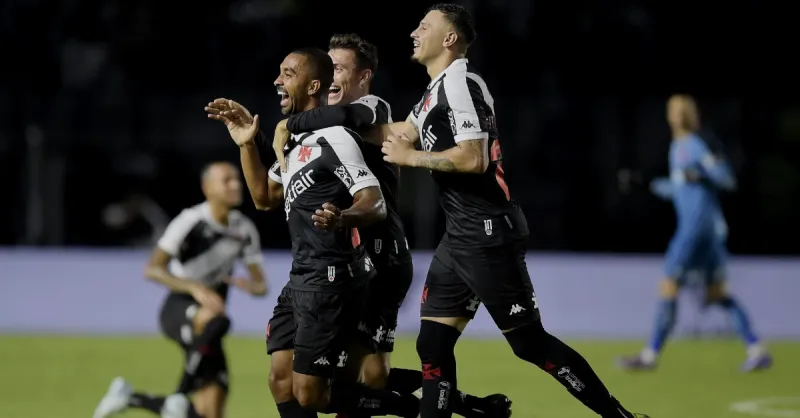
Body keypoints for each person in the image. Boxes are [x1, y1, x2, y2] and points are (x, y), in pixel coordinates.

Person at [378, 4, 650, 418]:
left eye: (424, 26)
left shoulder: (461, 85)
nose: (414, 31)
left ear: (449, 39)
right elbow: (398, 133)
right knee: (432, 345)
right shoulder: (437, 91)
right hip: (461, 235)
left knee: (530, 345)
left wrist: (411, 158)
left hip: (487, 232)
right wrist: (324, 119)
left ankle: (620, 416)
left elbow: (474, 159)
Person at [267, 32, 511, 418]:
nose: (332, 76)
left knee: (366, 376)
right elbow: (270, 193)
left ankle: (442, 405)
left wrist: (292, 122)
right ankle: (462, 404)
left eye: (340, 69)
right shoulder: (313, 128)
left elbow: (347, 119)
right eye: (328, 67)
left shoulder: (371, 107)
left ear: (364, 77)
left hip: (382, 257)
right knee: (351, 374)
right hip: (346, 257)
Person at [206, 48, 420, 418]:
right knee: (280, 380)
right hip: (301, 275)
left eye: (287, 73)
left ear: (313, 85)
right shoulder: (292, 140)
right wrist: (245, 143)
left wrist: (342, 218)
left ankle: (418, 408)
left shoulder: (335, 137)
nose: (277, 80)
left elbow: (375, 203)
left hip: (333, 279)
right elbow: (263, 197)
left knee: (313, 395)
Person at [93, 162, 269, 418]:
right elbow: (152, 269)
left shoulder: (244, 230)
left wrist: (250, 286)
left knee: (208, 414)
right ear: (207, 188)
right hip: (179, 307)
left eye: (236, 179)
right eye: (227, 180)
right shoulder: (190, 221)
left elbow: (262, 286)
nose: (236, 185)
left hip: (210, 327)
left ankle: (129, 397)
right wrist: (194, 288)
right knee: (217, 320)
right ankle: (179, 392)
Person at [618, 94, 772, 372]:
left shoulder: (696, 144)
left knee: (668, 285)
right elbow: (678, 187)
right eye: (672, 111)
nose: (676, 116)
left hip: (695, 229)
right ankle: (757, 349)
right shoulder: (678, 147)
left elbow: (726, 178)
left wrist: (701, 175)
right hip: (709, 232)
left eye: (680, 111)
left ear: (690, 115)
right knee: (717, 295)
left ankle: (650, 356)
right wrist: (645, 183)